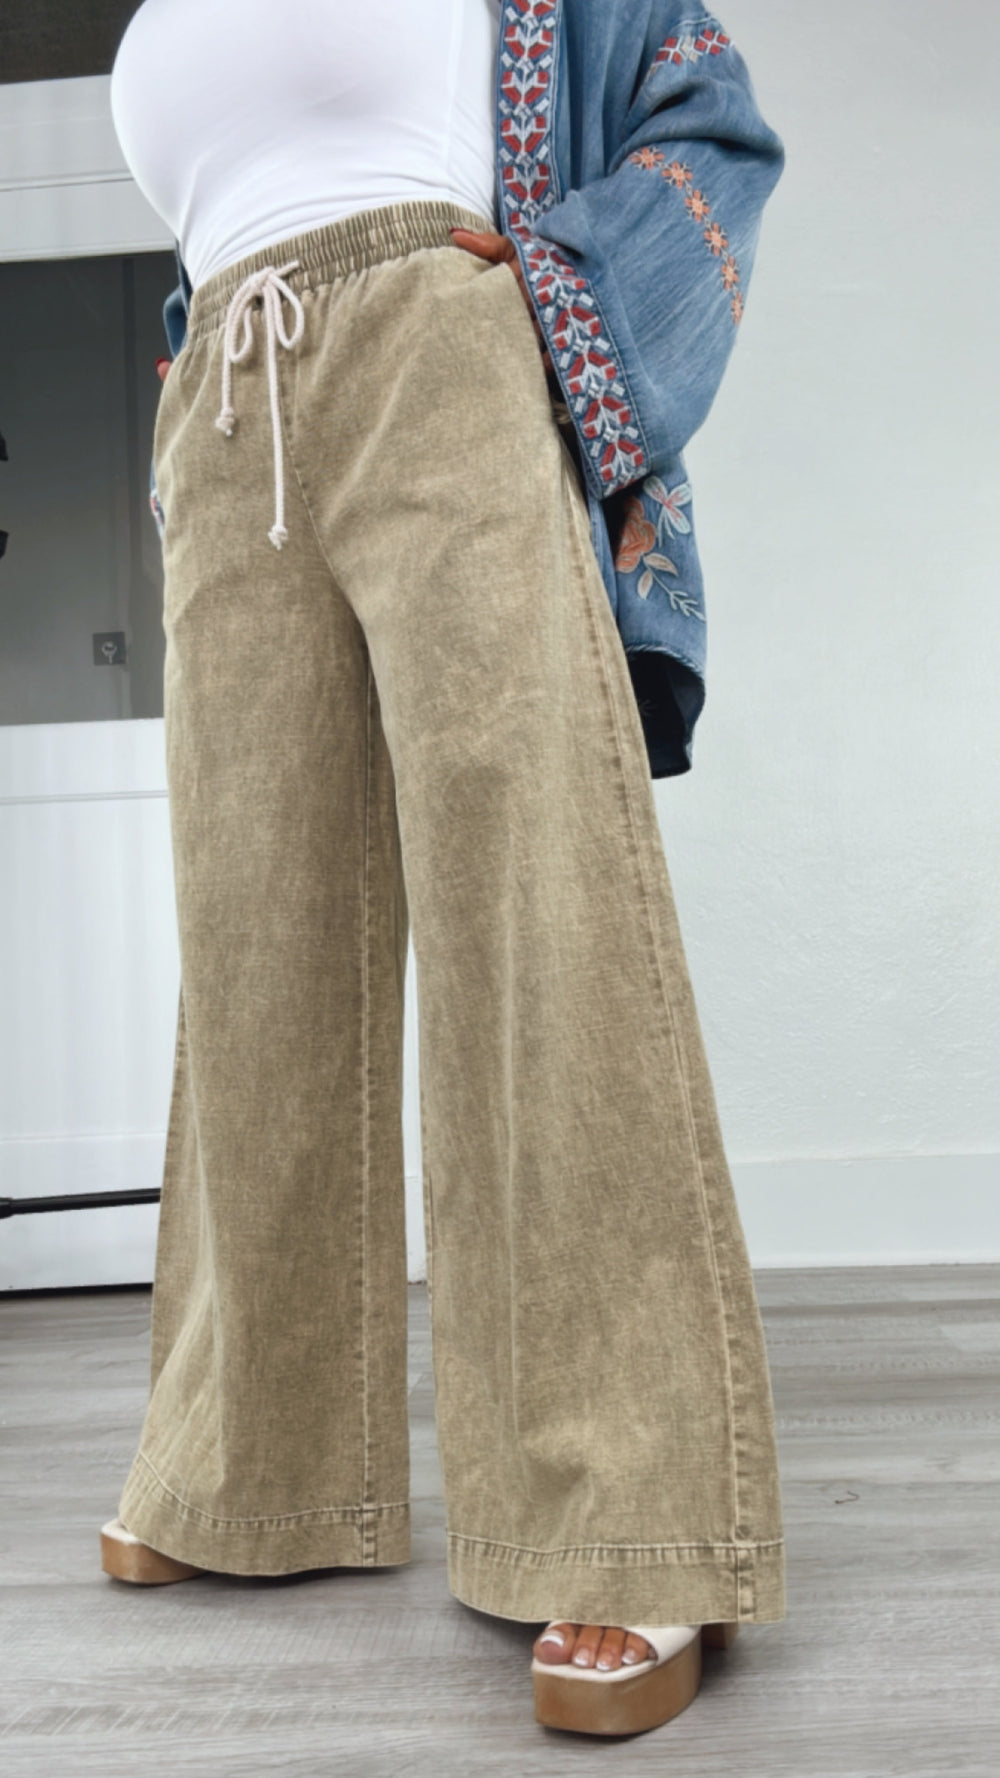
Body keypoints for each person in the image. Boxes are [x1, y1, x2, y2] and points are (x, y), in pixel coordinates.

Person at [103, 0, 787, 1740]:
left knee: (531, 913)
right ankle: (251, 1459)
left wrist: (543, 300)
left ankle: (627, 1511)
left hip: (440, 348)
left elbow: (710, 117)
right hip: (224, 409)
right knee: (253, 944)